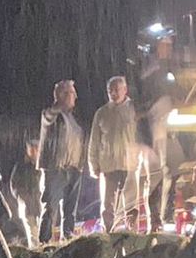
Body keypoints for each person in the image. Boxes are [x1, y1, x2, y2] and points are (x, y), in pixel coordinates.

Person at [88, 75, 140, 232]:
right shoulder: (101, 113)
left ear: (125, 90)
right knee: (108, 203)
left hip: (130, 164)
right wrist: (93, 165)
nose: (113, 93)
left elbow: (142, 136)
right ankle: (108, 231)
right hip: (108, 165)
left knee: (131, 201)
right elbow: (94, 141)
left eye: (117, 90)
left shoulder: (134, 110)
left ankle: (132, 232)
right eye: (110, 90)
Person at [38, 79, 86, 243]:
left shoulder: (73, 119)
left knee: (70, 208)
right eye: (72, 93)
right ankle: (45, 242)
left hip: (73, 169)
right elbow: (48, 117)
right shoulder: (52, 114)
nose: (76, 96)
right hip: (56, 168)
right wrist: (58, 105)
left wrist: (80, 165)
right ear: (61, 95)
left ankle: (68, 239)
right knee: (51, 207)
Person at [9, 140, 44, 247]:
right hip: (27, 207)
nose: (34, 151)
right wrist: (23, 198)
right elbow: (14, 185)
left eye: (36, 148)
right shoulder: (21, 166)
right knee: (33, 236)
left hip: (41, 206)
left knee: (42, 234)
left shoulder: (42, 166)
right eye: (31, 148)